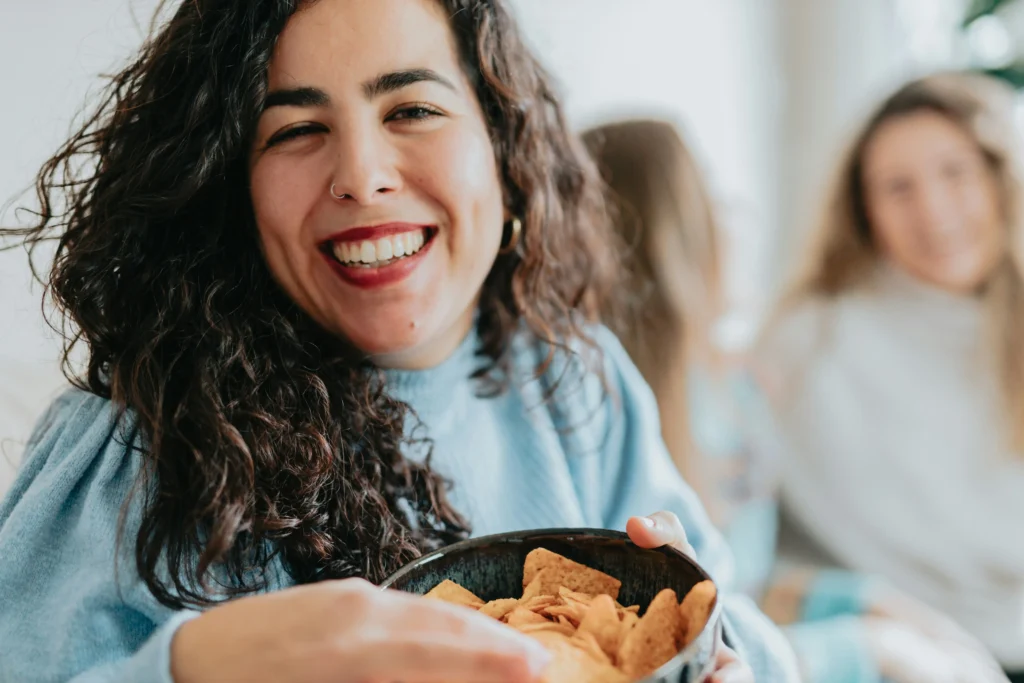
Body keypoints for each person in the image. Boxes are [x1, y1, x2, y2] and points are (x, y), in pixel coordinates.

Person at [0, 1, 799, 682]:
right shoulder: (135, 445)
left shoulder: (576, 386)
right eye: (297, 128)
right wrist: (200, 660)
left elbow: (749, 636)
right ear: (229, 189)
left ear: (504, 150)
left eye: (411, 109)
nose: (362, 172)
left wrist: (722, 653)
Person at [585, 117, 1009, 683]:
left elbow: (748, 582)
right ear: (665, 239)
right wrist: (869, 645)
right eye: (711, 196)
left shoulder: (733, 393)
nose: (736, 216)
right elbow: (692, 634)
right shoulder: (622, 420)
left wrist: (867, 600)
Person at [757, 71, 1024, 681]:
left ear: (998, 180)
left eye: (955, 173)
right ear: (864, 210)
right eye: (898, 188)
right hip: (889, 652)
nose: (933, 209)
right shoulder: (811, 336)